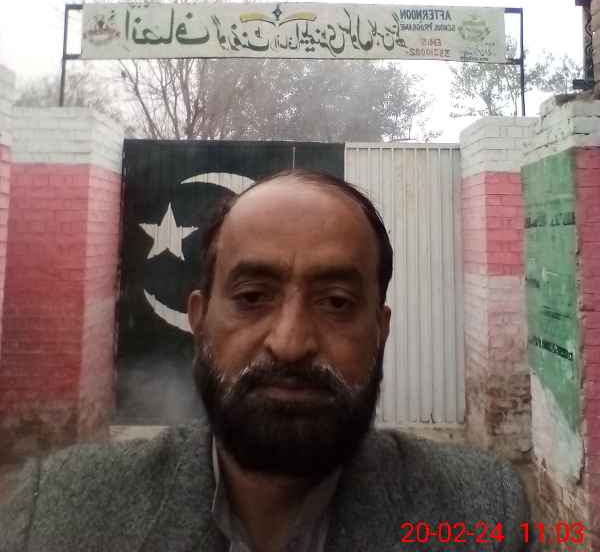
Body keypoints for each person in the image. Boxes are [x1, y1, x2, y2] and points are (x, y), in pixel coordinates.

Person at [1, 169, 534, 551]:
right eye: (253, 297)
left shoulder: (483, 517)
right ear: (199, 319)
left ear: (380, 329)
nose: (290, 342)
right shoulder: (58, 513)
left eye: (336, 303)